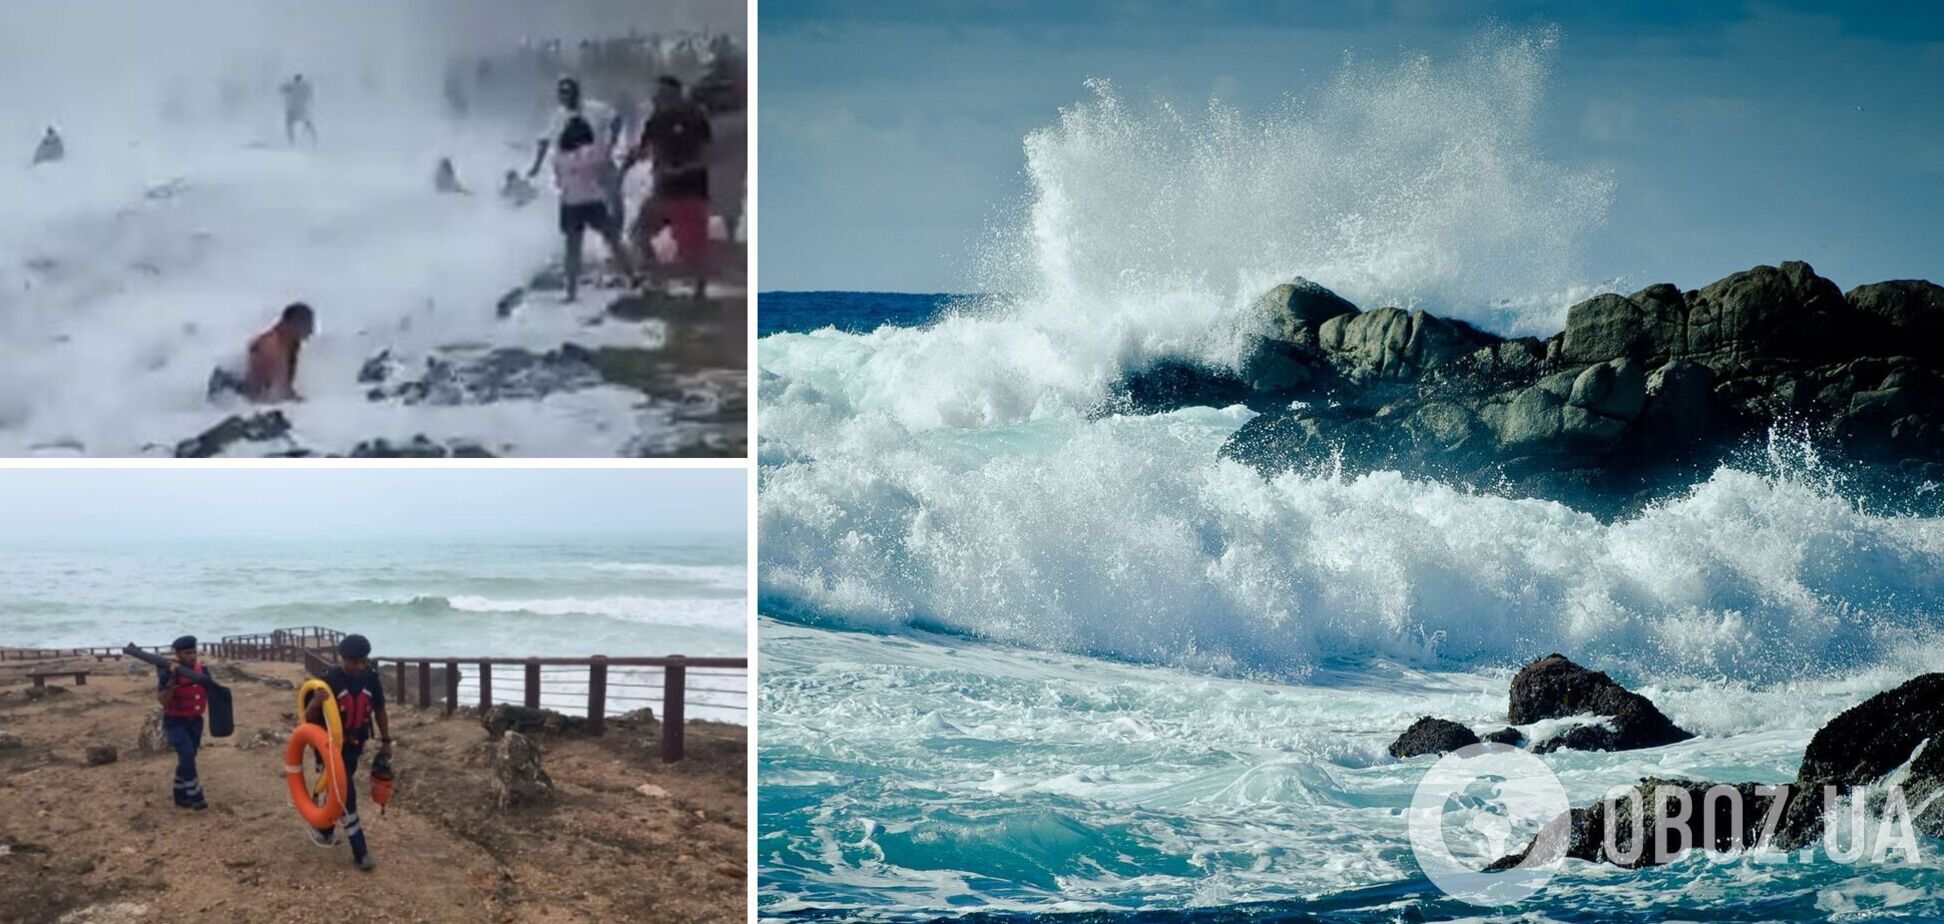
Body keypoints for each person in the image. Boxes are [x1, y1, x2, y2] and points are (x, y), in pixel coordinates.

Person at [304, 634, 392, 872]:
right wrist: (316, 702)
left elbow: (380, 709)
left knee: (339, 789)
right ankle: (360, 850)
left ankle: (324, 828)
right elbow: (308, 719)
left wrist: (386, 740)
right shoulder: (329, 680)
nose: (360, 666)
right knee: (346, 792)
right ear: (343, 659)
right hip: (330, 746)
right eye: (355, 662)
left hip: (355, 744)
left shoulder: (371, 679)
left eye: (364, 661)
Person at [629, 76, 713, 297]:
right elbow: (643, 149)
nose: (657, 97)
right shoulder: (655, 120)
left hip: (691, 191)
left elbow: (708, 153)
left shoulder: (694, 116)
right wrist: (627, 163)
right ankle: (656, 279)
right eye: (657, 93)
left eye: (662, 93)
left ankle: (699, 293)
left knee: (692, 248)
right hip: (663, 191)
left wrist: (683, 168)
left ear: (675, 94)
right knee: (639, 232)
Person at [553, 117, 635, 302]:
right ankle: (631, 276)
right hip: (593, 202)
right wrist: (614, 132)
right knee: (613, 240)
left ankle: (571, 292)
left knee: (572, 249)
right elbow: (608, 154)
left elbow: (558, 182)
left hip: (570, 204)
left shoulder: (559, 156)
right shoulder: (593, 152)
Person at [527, 77, 623, 227]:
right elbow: (544, 141)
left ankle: (618, 229)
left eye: (568, 92)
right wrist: (536, 166)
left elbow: (616, 118)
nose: (565, 96)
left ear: (576, 92)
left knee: (614, 195)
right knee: (577, 204)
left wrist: (612, 142)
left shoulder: (594, 108)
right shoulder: (559, 116)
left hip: (600, 161)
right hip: (577, 170)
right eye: (562, 92)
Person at [208, 302, 313, 403]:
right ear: (292, 324)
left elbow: (284, 386)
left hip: (244, 384)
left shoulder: (291, 342)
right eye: (307, 325)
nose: (311, 331)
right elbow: (262, 394)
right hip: (226, 387)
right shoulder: (271, 346)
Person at [155, 636, 212, 810]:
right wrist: (172, 678)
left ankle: (179, 795)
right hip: (175, 721)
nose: (192, 656)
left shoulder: (202, 670)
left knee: (188, 758)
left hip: (195, 721)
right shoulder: (167, 672)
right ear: (178, 654)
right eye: (187, 653)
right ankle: (196, 796)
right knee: (187, 756)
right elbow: (163, 700)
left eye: (194, 652)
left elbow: (212, 691)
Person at [281, 74, 316, 146]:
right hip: (298, 109)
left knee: (290, 124)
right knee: (306, 123)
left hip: (295, 109)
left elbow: (283, 90)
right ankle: (312, 139)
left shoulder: (293, 85)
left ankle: (292, 141)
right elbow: (310, 96)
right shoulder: (305, 86)